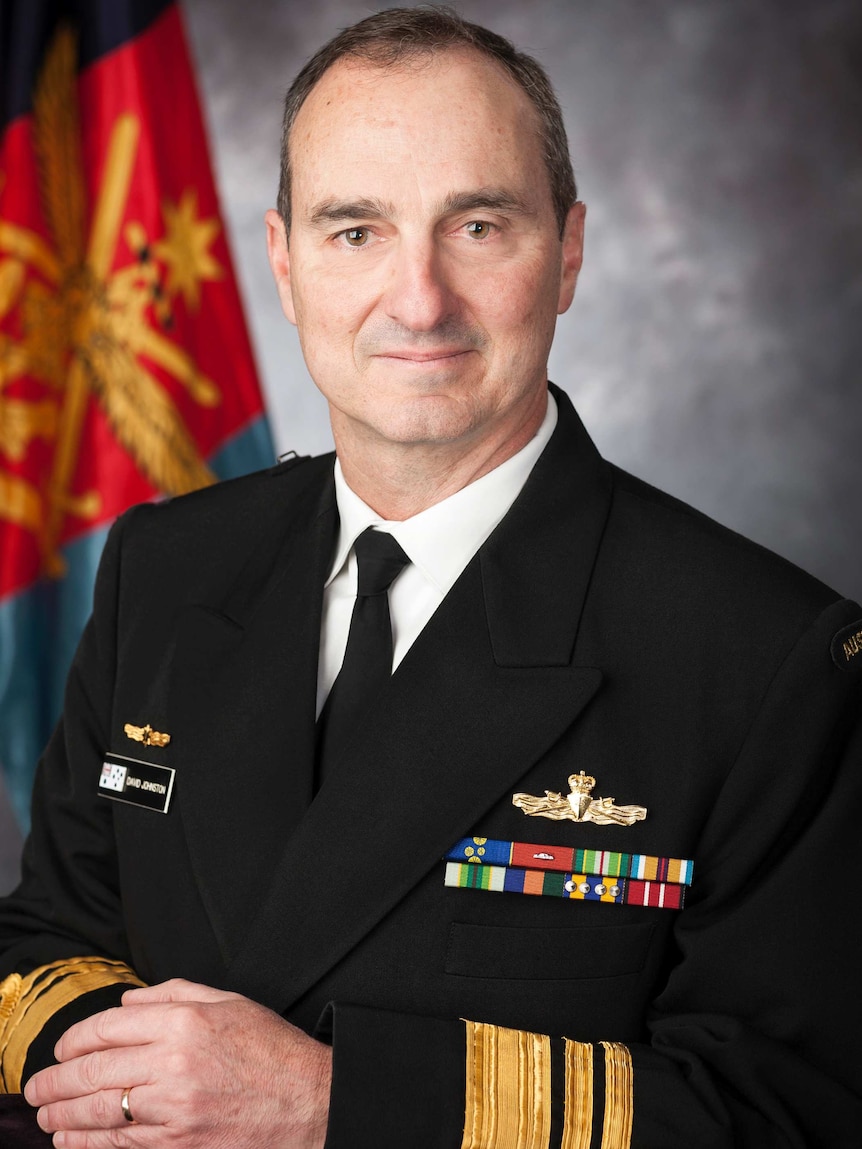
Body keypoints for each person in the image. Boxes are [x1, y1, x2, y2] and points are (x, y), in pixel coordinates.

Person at [1, 6, 861, 1147]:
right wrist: (143, 1083)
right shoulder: (165, 565)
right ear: (284, 262)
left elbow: (788, 1112)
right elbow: (43, 938)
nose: (417, 301)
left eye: (477, 226)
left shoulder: (764, 659)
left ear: (568, 251)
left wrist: (324, 1102)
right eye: (354, 231)